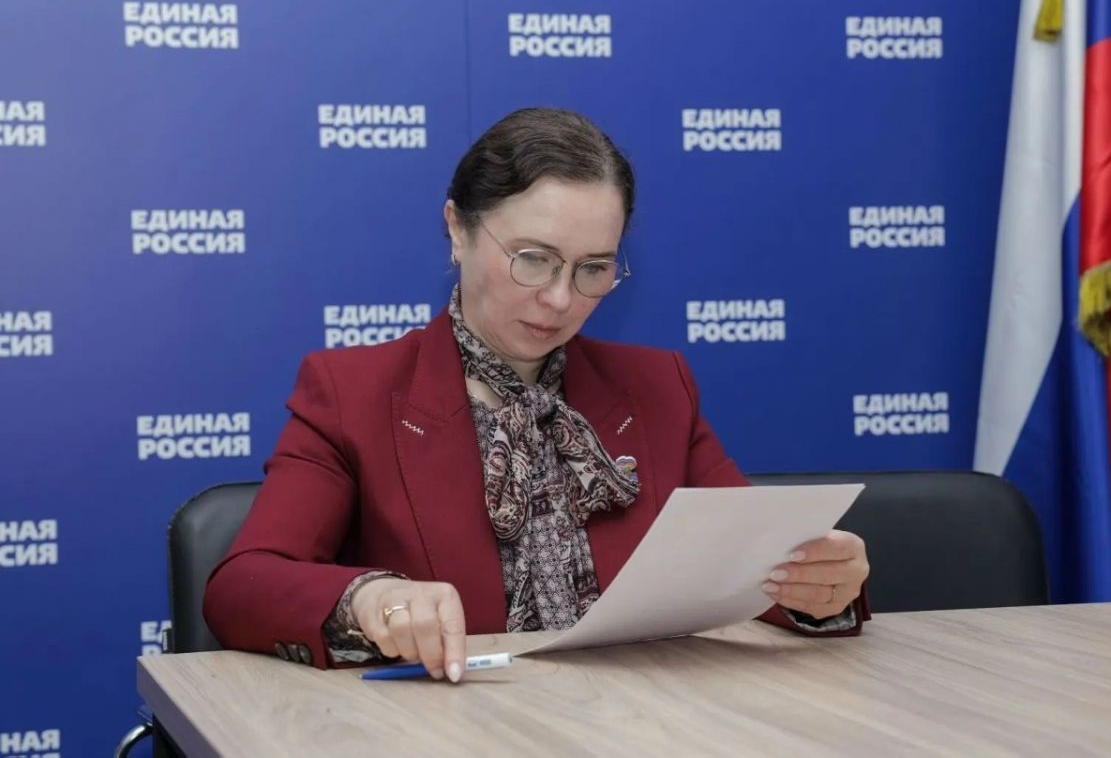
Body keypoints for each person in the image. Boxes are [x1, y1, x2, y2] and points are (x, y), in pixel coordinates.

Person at [203, 107, 870, 680]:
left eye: (592, 269)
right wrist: (368, 599)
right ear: (458, 229)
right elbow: (243, 585)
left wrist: (822, 586)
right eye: (533, 259)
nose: (559, 298)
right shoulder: (353, 393)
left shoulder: (657, 387)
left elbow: (756, 567)